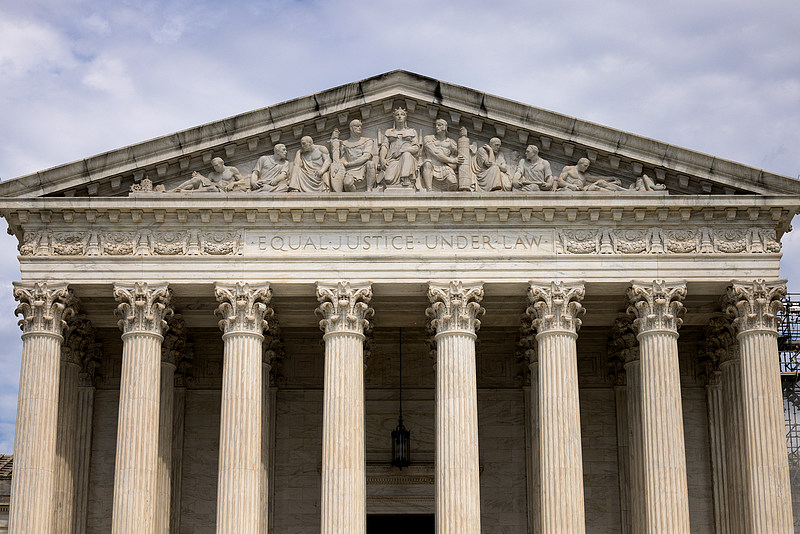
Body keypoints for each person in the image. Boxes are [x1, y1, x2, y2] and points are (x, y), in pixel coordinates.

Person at [329, 120, 376, 192]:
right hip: (350, 170)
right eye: (357, 126)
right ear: (351, 128)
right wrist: (334, 141)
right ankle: (355, 198)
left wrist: (349, 164)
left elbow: (366, 157)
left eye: (360, 126)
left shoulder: (367, 141)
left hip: (363, 167)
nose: (359, 128)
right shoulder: (344, 144)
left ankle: (369, 190)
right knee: (347, 183)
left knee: (371, 164)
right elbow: (337, 159)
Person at [379, 108, 419, 188]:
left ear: (405, 117)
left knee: (406, 155)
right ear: (394, 117)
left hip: (408, 159)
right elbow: (384, 146)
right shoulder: (389, 132)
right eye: (397, 115)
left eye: (402, 114)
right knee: (388, 179)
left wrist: (402, 150)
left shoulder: (412, 131)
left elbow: (416, 148)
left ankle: (406, 178)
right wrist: (382, 159)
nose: (400, 116)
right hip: (392, 159)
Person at [421, 119, 463, 191]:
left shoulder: (451, 142)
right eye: (436, 125)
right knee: (427, 163)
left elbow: (460, 154)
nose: (437, 127)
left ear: (445, 127)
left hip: (444, 167)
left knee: (453, 183)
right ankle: (429, 190)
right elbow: (435, 152)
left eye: (439, 125)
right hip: (431, 166)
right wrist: (452, 160)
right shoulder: (428, 138)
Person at [171, 157, 242, 192]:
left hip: (225, 191)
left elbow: (243, 181)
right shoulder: (212, 174)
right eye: (213, 166)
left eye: (216, 165)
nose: (215, 168)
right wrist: (200, 177)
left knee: (213, 188)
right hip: (216, 189)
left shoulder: (232, 170)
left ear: (222, 163)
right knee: (196, 180)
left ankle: (187, 192)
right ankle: (175, 190)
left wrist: (233, 183)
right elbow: (207, 183)